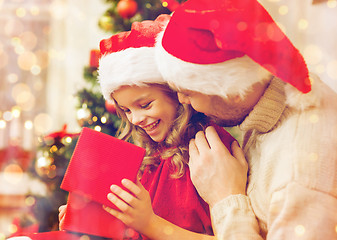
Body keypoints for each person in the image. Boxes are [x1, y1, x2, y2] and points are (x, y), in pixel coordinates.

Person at [154, 0, 337, 239]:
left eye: (188, 91)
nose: (182, 100)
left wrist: (225, 199)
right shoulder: (271, 90)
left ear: (231, 89)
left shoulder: (298, 179)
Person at [58, 14, 235, 240]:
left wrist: (149, 223)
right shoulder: (148, 157)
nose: (135, 119)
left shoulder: (213, 151)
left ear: (177, 93)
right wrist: (87, 226)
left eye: (144, 105)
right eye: (127, 110)